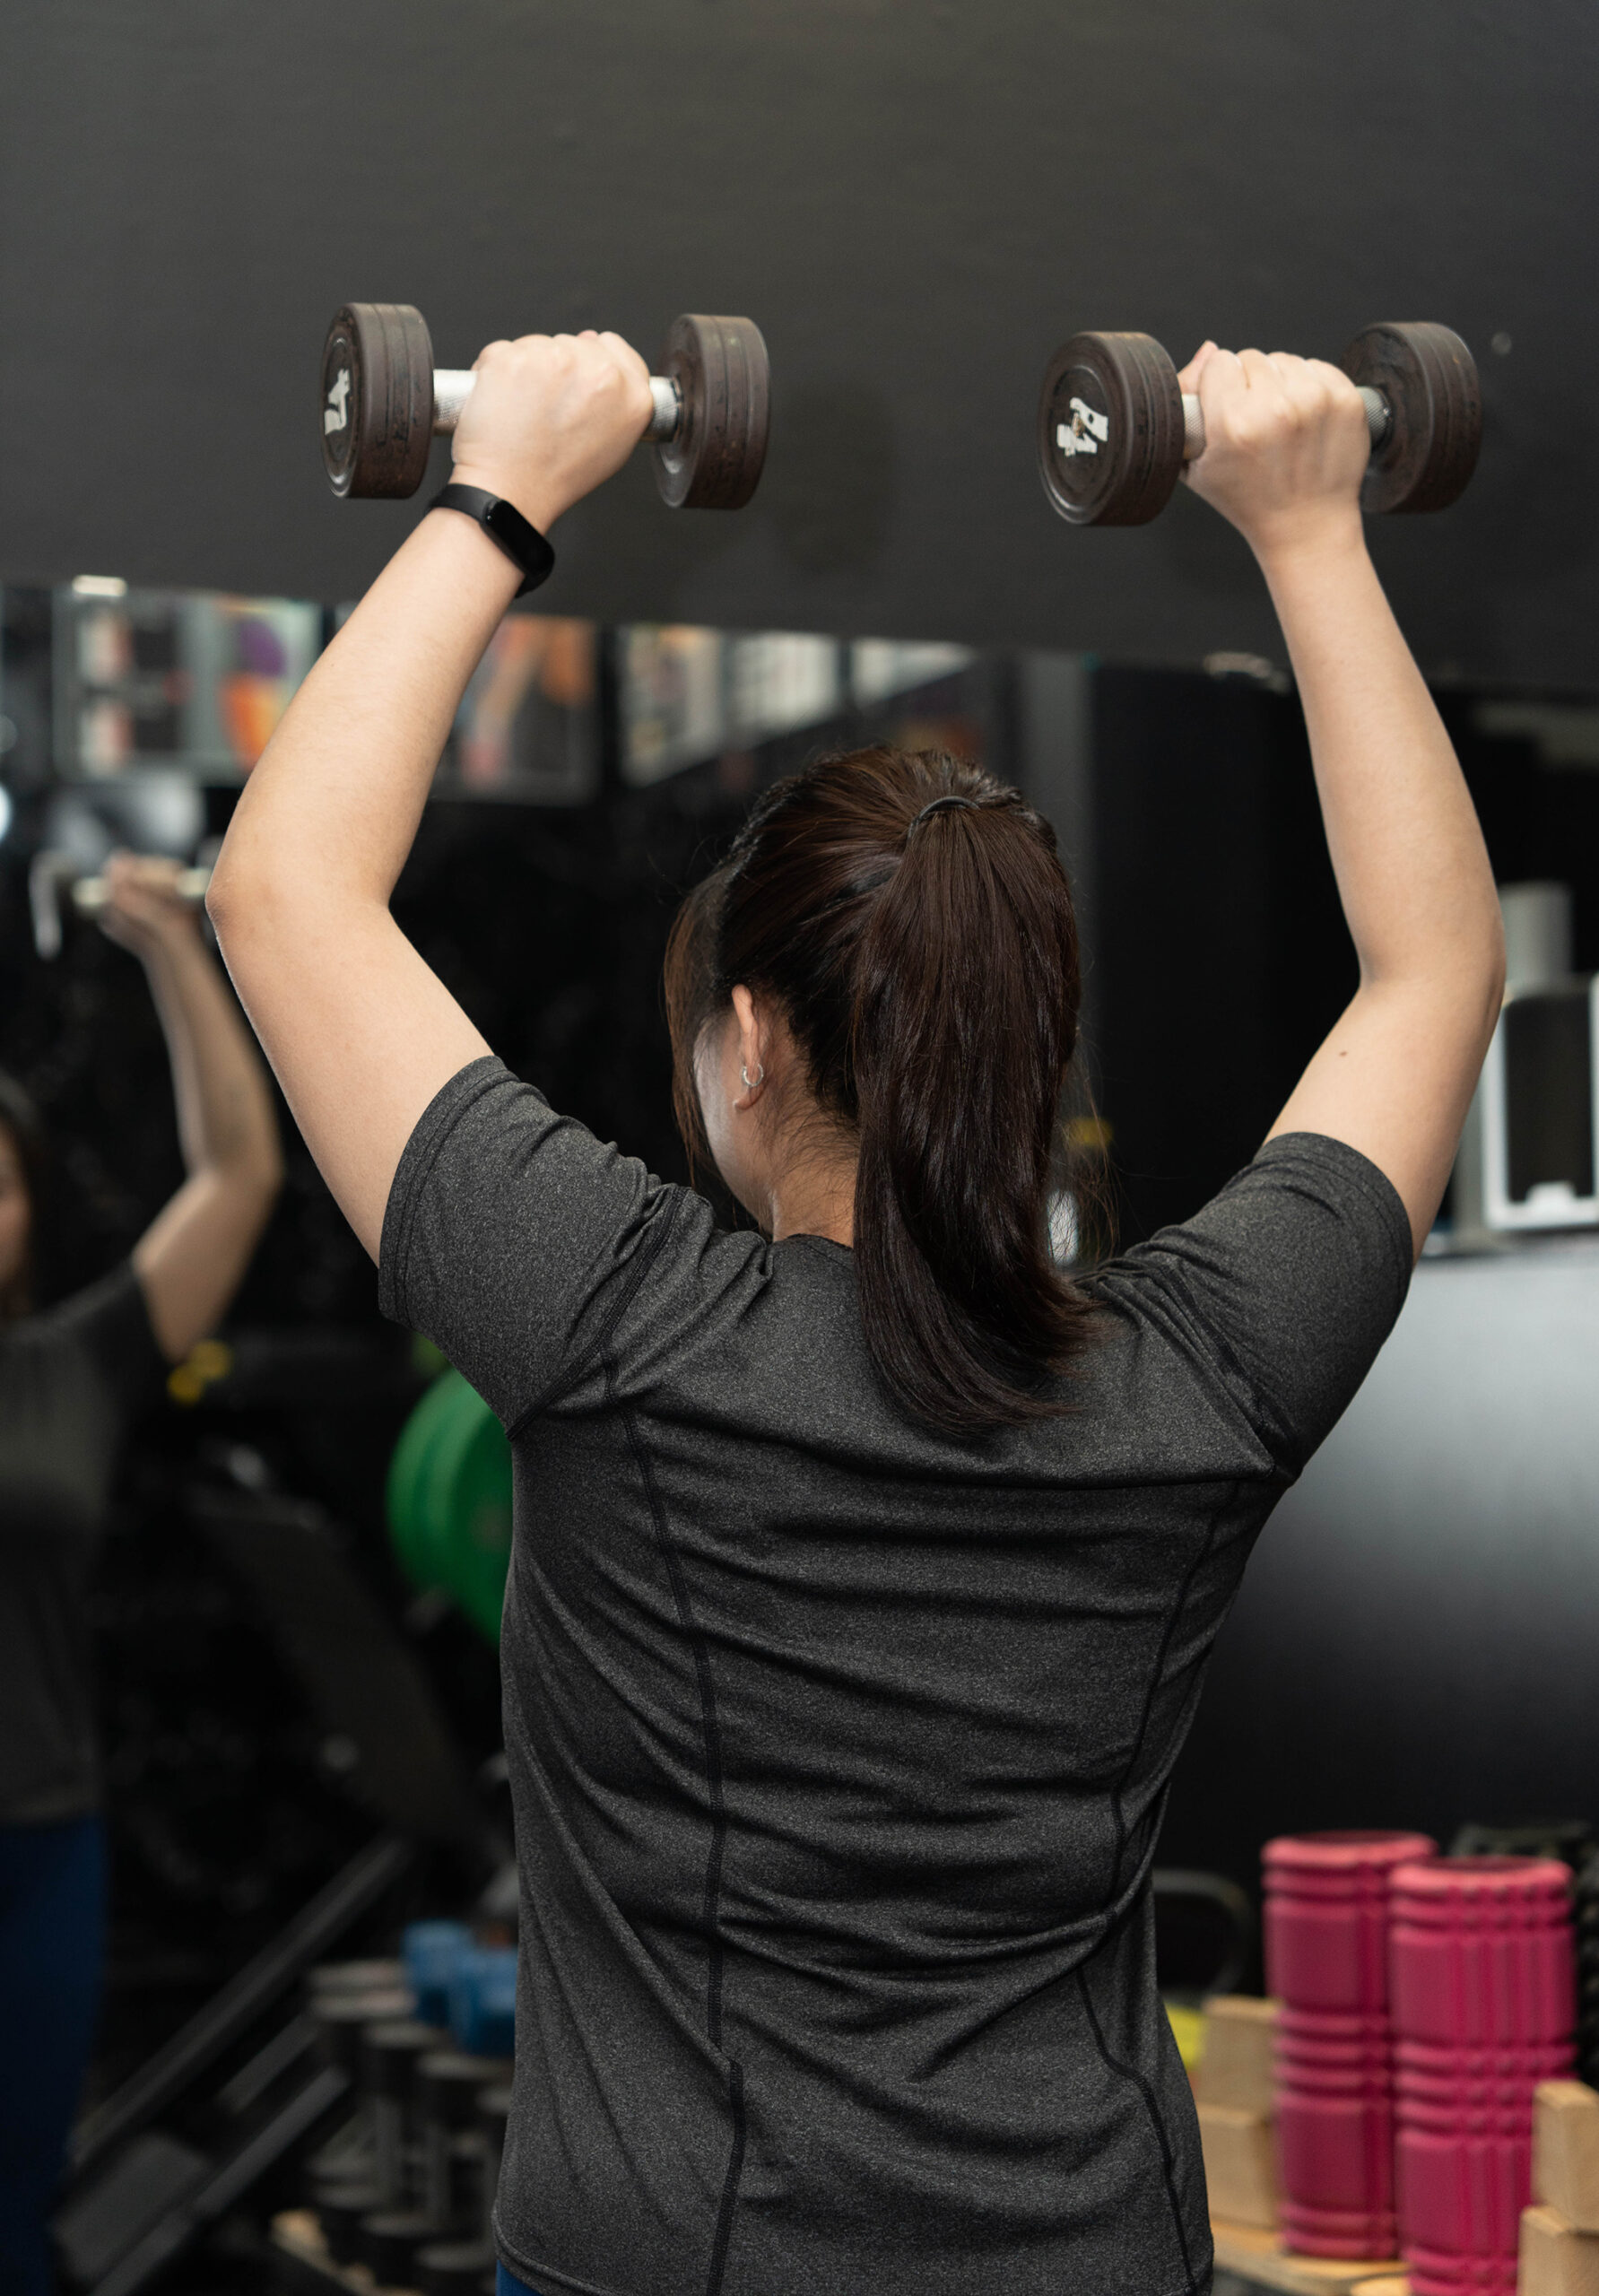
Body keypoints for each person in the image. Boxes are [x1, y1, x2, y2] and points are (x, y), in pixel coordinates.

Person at [208, 329, 1503, 2296]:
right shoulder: (1203, 1376)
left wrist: (512, 483)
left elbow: (289, 887)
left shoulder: (616, 1322)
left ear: (745, 1040)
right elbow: (1430, 973)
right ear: (1020, 1042)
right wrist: (1311, 525)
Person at [0, 859, 282, 2296]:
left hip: (42, 1842)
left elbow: (239, 1175)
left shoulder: (75, 1368)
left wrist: (180, 945)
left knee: (17, 2212)